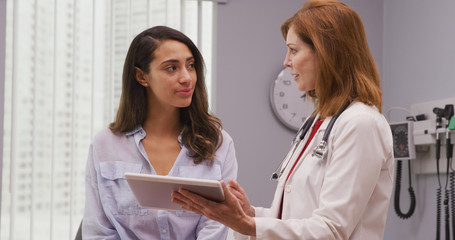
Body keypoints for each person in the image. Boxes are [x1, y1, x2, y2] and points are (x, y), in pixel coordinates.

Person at [171, 0, 394, 239]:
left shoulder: (361, 124)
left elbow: (331, 230)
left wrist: (247, 225)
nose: (287, 61)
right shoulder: (318, 123)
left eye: (294, 50)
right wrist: (249, 214)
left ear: (327, 52)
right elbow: (294, 217)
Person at [82, 26, 238, 239]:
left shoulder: (218, 143)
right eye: (171, 68)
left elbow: (216, 227)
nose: (187, 78)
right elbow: (98, 231)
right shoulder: (105, 145)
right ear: (141, 76)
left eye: (190, 66)